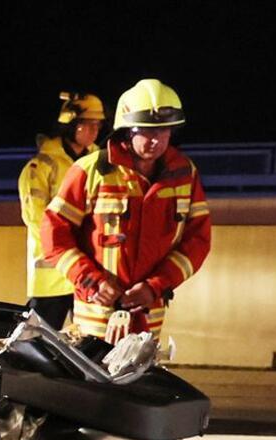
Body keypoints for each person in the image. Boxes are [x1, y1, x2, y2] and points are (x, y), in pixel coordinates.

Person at [39, 79, 210, 340]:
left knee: (140, 378)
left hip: (148, 317)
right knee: (89, 379)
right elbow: (54, 233)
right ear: (128, 129)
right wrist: (92, 281)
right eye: (147, 131)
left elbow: (197, 241)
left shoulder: (185, 174)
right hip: (96, 318)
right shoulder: (91, 170)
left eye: (164, 131)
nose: (156, 140)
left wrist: (156, 286)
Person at [20, 92, 104, 327]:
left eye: (97, 125)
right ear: (70, 124)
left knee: (90, 344)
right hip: (52, 279)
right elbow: (35, 219)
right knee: (40, 344)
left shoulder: (100, 164)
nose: (94, 131)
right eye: (88, 125)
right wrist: (65, 250)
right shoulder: (41, 166)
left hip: (87, 274)